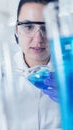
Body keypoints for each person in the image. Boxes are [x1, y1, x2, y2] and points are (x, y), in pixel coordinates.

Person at [13, 0, 61, 129]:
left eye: (47, 27)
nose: (38, 39)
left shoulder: (68, 74)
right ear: (17, 29)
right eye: (28, 27)